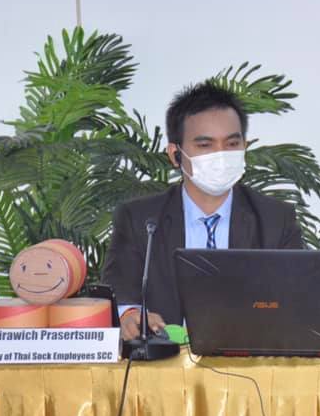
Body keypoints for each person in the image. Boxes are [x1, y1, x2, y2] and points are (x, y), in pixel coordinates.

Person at [102, 82, 303, 340]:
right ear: (175, 155)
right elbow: (119, 291)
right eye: (205, 145)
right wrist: (130, 316)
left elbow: (295, 301)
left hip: (251, 359)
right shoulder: (140, 220)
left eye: (232, 144)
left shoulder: (276, 220)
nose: (221, 156)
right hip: (167, 361)